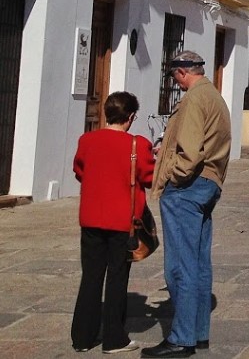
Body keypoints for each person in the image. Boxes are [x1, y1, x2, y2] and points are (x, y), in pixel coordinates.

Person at [142, 52, 231, 358]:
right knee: (199, 263)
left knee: (179, 266)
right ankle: (198, 333)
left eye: (175, 77)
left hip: (188, 187)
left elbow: (190, 153)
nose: (176, 83)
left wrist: (171, 176)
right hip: (209, 183)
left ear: (181, 73)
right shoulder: (214, 95)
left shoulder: (194, 99)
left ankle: (181, 338)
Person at [70, 91, 154, 354]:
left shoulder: (87, 140)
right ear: (130, 117)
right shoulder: (137, 145)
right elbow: (148, 176)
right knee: (117, 277)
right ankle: (114, 337)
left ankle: (83, 337)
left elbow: (79, 170)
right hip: (122, 221)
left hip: (91, 217)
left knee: (91, 277)